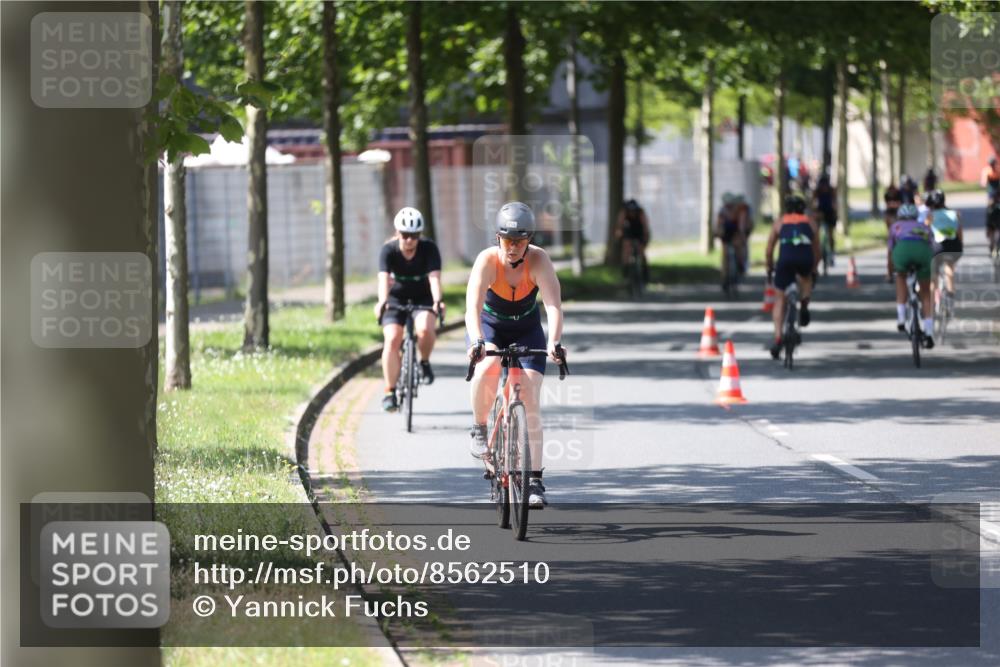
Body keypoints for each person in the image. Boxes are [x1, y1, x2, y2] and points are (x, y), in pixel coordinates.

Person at [466, 202, 566, 508]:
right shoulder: (486, 261)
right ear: (498, 238)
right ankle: (480, 427)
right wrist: (477, 340)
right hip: (491, 328)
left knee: (529, 396)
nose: (512, 248)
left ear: (529, 241)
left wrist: (555, 341)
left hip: (527, 330)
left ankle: (534, 480)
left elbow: (553, 306)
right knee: (488, 368)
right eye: (508, 241)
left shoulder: (539, 260)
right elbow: (471, 307)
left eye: (519, 241)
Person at [375, 207, 444, 412]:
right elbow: (383, 280)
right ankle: (389, 391)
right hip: (395, 298)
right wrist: (382, 301)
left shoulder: (429, 249)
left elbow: (434, 278)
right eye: (405, 235)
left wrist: (438, 301)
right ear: (398, 233)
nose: (409, 240)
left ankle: (423, 361)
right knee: (393, 339)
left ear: (419, 235)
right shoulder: (388, 250)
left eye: (414, 236)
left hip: (423, 297)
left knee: (424, 329)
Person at [765, 194, 820, 359]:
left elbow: (769, 250)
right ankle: (804, 304)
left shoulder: (780, 222)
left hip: (785, 260)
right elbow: (817, 252)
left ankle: (778, 338)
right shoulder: (810, 222)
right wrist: (814, 268)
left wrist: (769, 267)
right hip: (804, 259)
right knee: (806, 278)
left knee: (779, 299)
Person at [888, 203, 934, 348]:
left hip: (903, 251)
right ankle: (929, 333)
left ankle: (901, 320)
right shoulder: (924, 227)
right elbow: (933, 248)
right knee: (926, 294)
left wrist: (889, 272)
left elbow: (890, 253)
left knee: (901, 278)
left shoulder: (895, 227)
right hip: (922, 252)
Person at [926, 189, 963, 298]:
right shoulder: (955, 213)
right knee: (949, 267)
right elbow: (959, 233)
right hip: (954, 246)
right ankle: (950, 297)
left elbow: (925, 231)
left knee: (934, 274)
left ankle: (931, 304)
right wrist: (961, 245)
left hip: (937, 247)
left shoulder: (930, 215)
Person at [715, 192, 747, 290]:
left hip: (735, 232)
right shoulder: (722, 211)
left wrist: (742, 235)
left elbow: (741, 224)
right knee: (725, 256)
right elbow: (719, 225)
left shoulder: (737, 210)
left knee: (738, 247)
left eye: (730, 204)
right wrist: (718, 233)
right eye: (727, 204)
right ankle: (725, 278)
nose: (728, 206)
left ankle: (740, 264)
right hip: (726, 233)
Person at [615, 199, 651, 281]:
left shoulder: (640, 213)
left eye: (634, 211)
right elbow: (619, 226)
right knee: (626, 249)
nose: (632, 213)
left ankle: (645, 273)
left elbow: (645, 227)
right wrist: (618, 236)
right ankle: (625, 272)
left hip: (639, 231)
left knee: (641, 251)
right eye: (631, 211)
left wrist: (645, 239)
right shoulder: (624, 212)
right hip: (629, 231)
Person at [812, 173, 838, 258]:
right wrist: (814, 212)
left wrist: (835, 212)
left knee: (830, 233)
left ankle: (832, 251)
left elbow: (834, 202)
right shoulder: (817, 191)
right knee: (816, 232)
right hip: (820, 212)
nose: (824, 188)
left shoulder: (832, 190)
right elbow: (813, 203)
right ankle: (818, 249)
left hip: (830, 212)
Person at [883, 182, 903, 281]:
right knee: (890, 250)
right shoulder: (886, 195)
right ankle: (889, 273)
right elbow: (888, 206)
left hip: (899, 217)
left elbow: (900, 205)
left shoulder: (900, 194)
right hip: (891, 216)